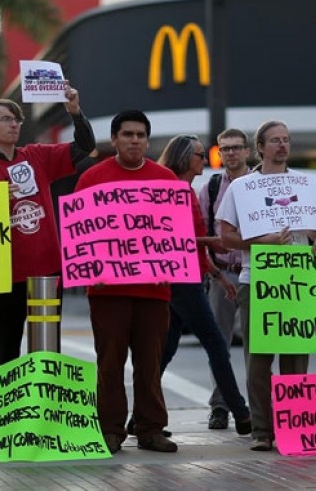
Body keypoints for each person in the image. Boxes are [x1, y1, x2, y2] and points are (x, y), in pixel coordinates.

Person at [218, 120, 316, 451]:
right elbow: (225, 237)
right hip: (257, 280)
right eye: (275, 141)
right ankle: (262, 430)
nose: (282, 145)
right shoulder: (243, 187)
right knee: (259, 358)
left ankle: (293, 427)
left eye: (287, 140)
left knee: (296, 356)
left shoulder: (305, 184)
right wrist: (262, 241)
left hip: (297, 280)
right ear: (261, 148)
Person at [0, 84, 96, 366]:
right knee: (8, 350)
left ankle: (45, 409)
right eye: (6, 120)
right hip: (6, 273)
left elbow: (85, 146)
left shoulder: (36, 156)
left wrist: (74, 112)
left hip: (46, 272)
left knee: (46, 348)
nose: (14, 125)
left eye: (17, 120)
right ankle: (10, 410)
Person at [75, 110, 177, 454]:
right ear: (114, 139)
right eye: (128, 134)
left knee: (150, 362)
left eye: (140, 135)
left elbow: (183, 233)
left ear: (147, 141)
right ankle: (109, 430)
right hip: (107, 290)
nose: (135, 140)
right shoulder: (92, 178)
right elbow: (78, 233)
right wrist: (91, 270)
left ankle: (151, 429)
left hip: (155, 289)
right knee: (110, 361)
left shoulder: (166, 180)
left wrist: (173, 264)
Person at [153, 134, 252, 435]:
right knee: (216, 345)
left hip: (192, 276)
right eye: (199, 154)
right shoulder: (172, 190)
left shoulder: (186, 190)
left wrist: (219, 276)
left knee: (166, 352)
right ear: (184, 157)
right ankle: (240, 412)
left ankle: (143, 416)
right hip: (182, 281)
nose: (204, 160)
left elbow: (191, 245)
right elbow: (175, 239)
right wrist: (213, 242)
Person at [197, 128, 252, 429]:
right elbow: (203, 234)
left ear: (247, 151)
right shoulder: (213, 186)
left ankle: (258, 405)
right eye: (225, 148)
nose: (230, 153)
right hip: (223, 274)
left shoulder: (259, 185)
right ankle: (221, 406)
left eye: (236, 148)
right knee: (219, 342)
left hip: (256, 272)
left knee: (257, 344)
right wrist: (215, 275)